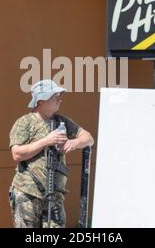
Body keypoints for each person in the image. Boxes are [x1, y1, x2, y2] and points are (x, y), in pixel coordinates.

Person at [9, 79, 94, 228]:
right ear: (41, 100)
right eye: (55, 96)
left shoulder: (61, 121)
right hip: (28, 193)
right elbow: (16, 154)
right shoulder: (25, 122)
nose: (60, 100)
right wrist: (45, 141)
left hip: (54, 195)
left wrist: (74, 143)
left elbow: (88, 138)